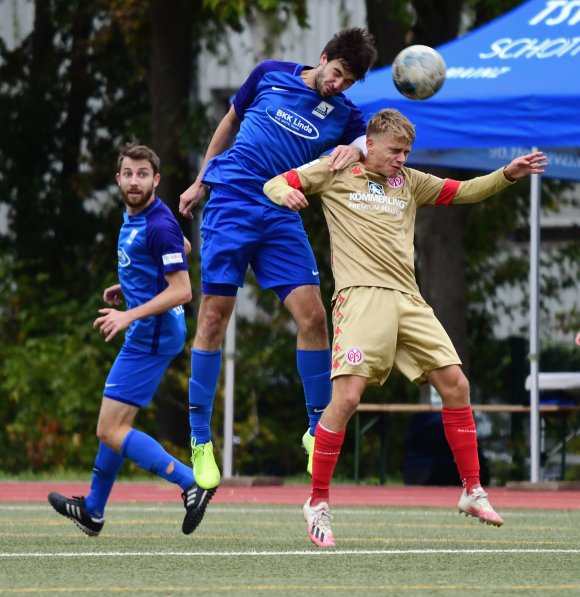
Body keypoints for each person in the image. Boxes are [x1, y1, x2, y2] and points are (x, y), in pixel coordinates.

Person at [264, 108, 548, 547]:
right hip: (360, 297)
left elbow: (465, 191)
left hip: (409, 300)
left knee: (456, 385)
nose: (401, 158)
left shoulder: (411, 182)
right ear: (370, 145)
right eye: (395, 150)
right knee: (348, 398)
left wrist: (507, 174)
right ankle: (317, 501)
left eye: (406, 152)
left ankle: (472, 490)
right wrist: (286, 195)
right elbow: (276, 182)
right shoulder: (337, 168)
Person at [178, 28, 377, 489]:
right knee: (213, 317)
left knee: (313, 318)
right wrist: (201, 181)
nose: (338, 85)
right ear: (324, 58)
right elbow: (228, 122)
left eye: (348, 82)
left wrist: (359, 146)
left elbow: (375, 141)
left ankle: (315, 431)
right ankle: (200, 442)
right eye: (337, 74)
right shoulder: (269, 75)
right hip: (231, 199)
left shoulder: (345, 115)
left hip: (282, 211)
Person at [48, 143, 214, 537]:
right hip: (151, 329)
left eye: (143, 174)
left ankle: (190, 482)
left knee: (109, 429)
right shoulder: (143, 217)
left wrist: (129, 314)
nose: (135, 180)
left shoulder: (157, 222)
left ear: (156, 180)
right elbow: (182, 248)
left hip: (150, 333)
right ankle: (92, 510)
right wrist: (129, 285)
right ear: (118, 178)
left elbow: (182, 291)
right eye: (128, 173)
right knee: (116, 424)